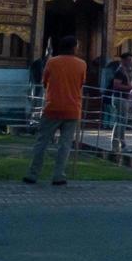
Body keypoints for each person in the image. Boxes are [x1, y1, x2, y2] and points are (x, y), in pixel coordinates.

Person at [25, 35, 87, 186]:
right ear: (74, 48)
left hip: (52, 107)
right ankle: (58, 175)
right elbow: (81, 84)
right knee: (65, 145)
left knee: (42, 142)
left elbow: (44, 83)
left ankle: (33, 174)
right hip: (72, 109)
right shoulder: (82, 64)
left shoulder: (52, 62)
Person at [110, 52, 132, 150]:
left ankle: (121, 144)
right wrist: (131, 87)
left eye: (131, 60)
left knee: (122, 121)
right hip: (119, 98)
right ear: (123, 60)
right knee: (120, 121)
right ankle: (117, 145)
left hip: (124, 98)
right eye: (128, 60)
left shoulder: (126, 71)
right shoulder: (120, 71)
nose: (130, 62)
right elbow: (116, 85)